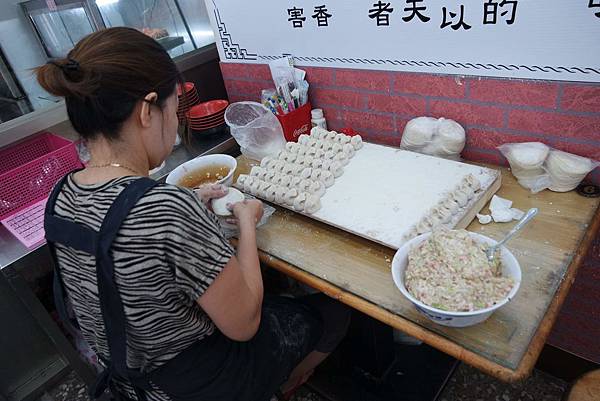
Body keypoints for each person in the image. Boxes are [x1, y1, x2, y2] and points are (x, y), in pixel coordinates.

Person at [38, 27, 350, 401]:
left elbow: (123, 251)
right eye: (173, 110)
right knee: (334, 314)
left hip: (133, 381)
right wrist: (248, 224)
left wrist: (183, 211)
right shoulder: (166, 207)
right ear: (146, 111)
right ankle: (279, 387)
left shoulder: (62, 195)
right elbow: (245, 323)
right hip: (203, 384)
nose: (175, 125)